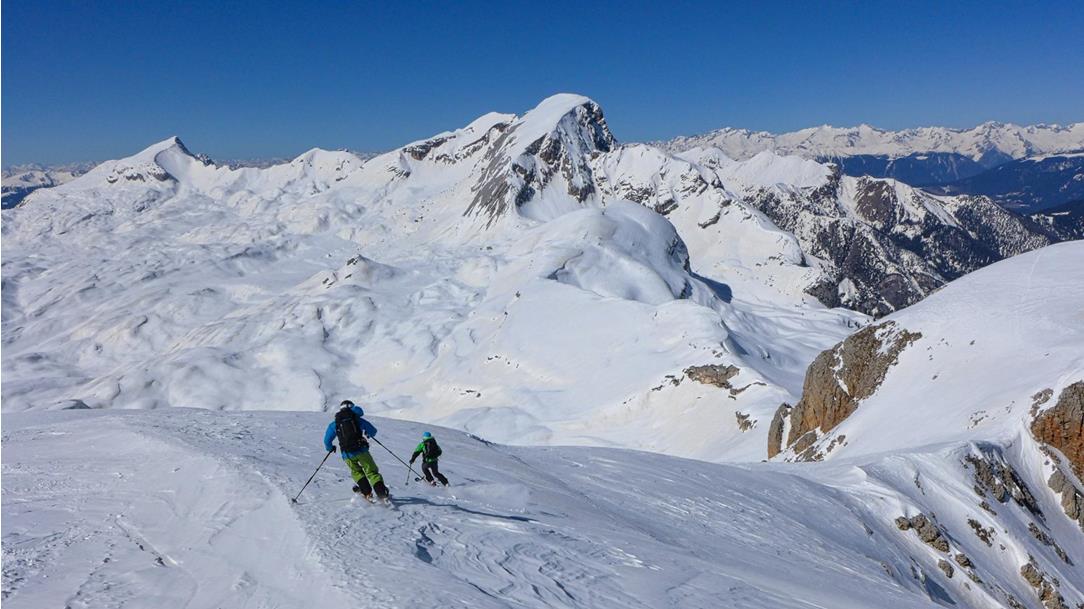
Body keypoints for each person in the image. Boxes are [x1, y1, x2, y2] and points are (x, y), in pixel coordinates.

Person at [323, 400, 389, 501]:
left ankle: (367, 493)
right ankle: (381, 494)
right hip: (362, 450)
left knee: (357, 472)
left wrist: (330, 448)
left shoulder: (334, 424)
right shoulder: (357, 419)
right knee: (372, 472)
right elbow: (373, 431)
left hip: (347, 454)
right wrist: (367, 433)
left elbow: (327, 440)